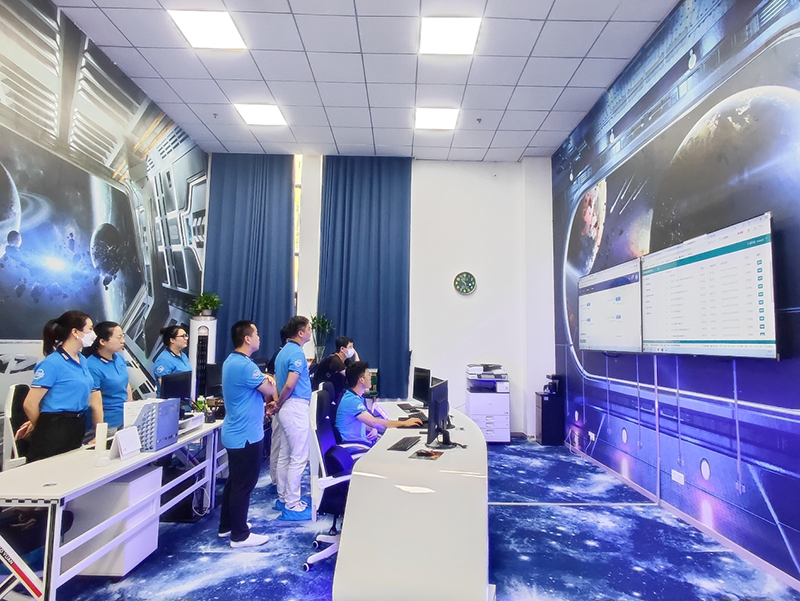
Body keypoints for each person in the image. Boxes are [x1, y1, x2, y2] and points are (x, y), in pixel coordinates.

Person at [15, 311, 103, 462]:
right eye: (90, 329)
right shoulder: (52, 363)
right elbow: (30, 404)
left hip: (77, 423)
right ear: (75, 332)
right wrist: (42, 426)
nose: (93, 334)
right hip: (56, 428)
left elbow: (93, 397)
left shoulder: (82, 360)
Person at [218, 320, 276, 548]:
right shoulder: (244, 366)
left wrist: (264, 378)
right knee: (243, 485)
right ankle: (240, 535)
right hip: (245, 435)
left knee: (235, 482)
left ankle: (227, 526)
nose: (259, 337)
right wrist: (269, 379)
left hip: (238, 432)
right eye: (256, 333)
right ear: (247, 339)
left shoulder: (234, 362)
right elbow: (270, 389)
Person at [272, 315, 313, 519]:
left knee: (285, 455)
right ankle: (293, 503)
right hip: (294, 406)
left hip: (287, 408)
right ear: (300, 332)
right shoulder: (296, 352)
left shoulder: (283, 352)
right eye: (309, 329)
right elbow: (289, 384)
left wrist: (278, 403)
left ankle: (283, 498)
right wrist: (279, 402)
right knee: (298, 457)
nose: (310, 332)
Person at [336, 361, 421, 446]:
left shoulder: (355, 396)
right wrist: (404, 423)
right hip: (354, 445)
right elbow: (374, 422)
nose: (370, 377)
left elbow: (362, 422)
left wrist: (371, 428)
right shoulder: (352, 401)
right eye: (368, 374)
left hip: (360, 440)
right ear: (361, 380)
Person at [84, 321, 132, 431]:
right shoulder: (91, 365)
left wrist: (130, 411)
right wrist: (100, 432)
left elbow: (126, 385)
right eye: (119, 337)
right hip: (108, 423)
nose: (123, 341)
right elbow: (95, 404)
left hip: (124, 419)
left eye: (123, 337)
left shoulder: (119, 358)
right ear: (102, 341)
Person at [312, 335, 360, 401]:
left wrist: (355, 354)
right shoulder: (335, 360)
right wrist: (356, 355)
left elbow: (357, 370)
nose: (353, 350)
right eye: (350, 347)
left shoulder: (345, 360)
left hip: (335, 392)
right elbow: (352, 374)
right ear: (342, 349)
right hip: (323, 394)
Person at [153, 325, 191, 396]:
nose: (186, 338)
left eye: (186, 335)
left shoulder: (183, 356)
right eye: (183, 336)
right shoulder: (164, 360)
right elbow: (165, 387)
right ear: (172, 340)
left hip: (186, 399)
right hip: (172, 400)